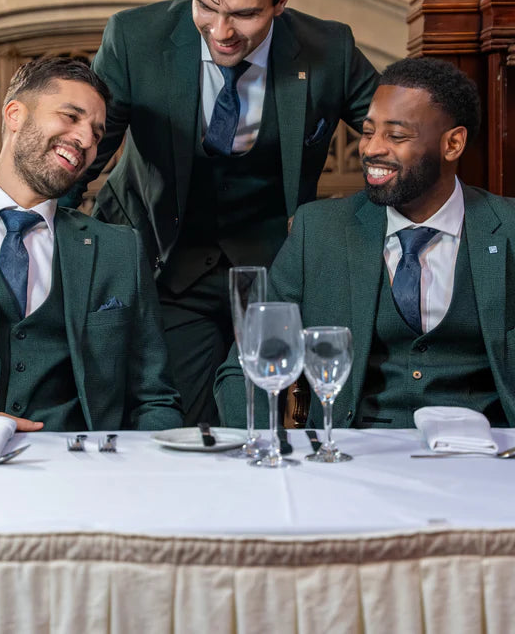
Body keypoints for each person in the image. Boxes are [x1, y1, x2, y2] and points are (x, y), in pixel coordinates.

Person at [63, 0, 379, 425]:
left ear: (282, 0)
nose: (221, 30)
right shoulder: (134, 38)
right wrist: (40, 225)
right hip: (165, 261)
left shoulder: (330, 49)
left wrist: (348, 230)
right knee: (179, 418)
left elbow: (395, 135)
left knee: (258, 417)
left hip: (272, 273)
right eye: (207, 6)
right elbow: (85, 150)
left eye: (245, 13)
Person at [215, 57, 515, 428]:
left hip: (489, 459)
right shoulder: (319, 231)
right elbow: (245, 365)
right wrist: (272, 454)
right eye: (369, 131)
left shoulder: (509, 228)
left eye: (396, 135)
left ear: (453, 143)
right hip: (353, 455)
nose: (371, 148)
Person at [0, 56, 182, 435]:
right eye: (71, 117)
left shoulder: (118, 250)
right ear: (14, 114)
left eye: (97, 132)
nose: (87, 140)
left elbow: (154, 397)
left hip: (79, 475)